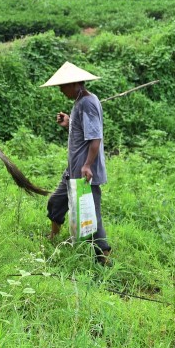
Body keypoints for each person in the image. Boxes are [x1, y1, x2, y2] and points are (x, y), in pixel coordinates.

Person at [41, 62, 112, 264]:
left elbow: (95, 138)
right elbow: (82, 130)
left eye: (62, 86)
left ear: (74, 84)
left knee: (92, 214)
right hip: (73, 169)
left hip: (85, 172)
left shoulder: (87, 103)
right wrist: (69, 122)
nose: (60, 90)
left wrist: (87, 165)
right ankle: (53, 236)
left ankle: (104, 258)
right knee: (56, 202)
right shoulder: (80, 102)